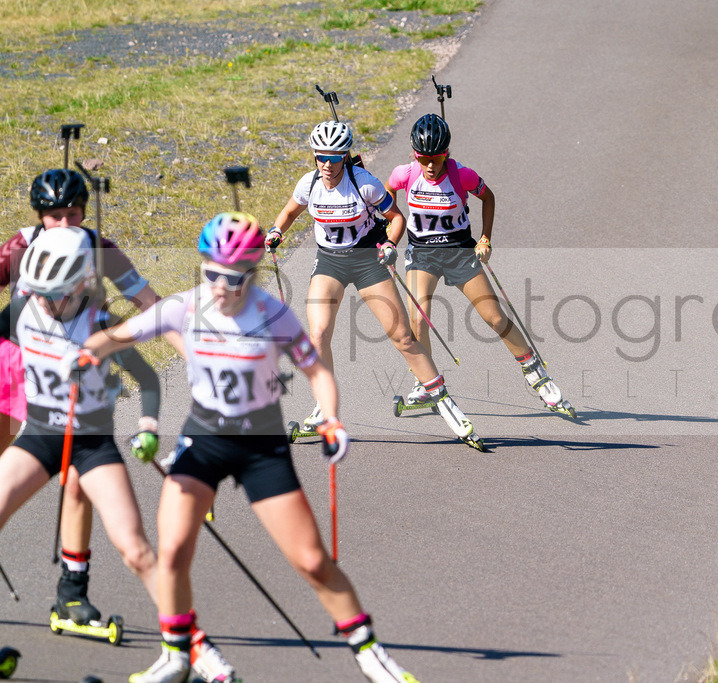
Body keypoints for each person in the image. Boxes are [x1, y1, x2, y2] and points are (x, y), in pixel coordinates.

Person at [69, 212, 419, 683]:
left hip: (261, 445)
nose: (219, 286)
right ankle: (176, 656)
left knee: (312, 561)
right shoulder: (184, 307)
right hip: (204, 440)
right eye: (210, 273)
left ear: (251, 274)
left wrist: (332, 420)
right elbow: (116, 337)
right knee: (171, 552)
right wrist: (88, 353)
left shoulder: (272, 313)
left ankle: (370, 654)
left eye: (232, 278)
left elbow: (316, 371)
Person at [0, 227, 232, 683]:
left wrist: (148, 425)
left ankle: (196, 649)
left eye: (57, 296)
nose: (47, 304)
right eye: (40, 294)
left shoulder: (100, 324)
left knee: (135, 549)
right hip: (41, 437)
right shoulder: (25, 307)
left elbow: (147, 379)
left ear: (81, 285)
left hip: (90, 443)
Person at [266, 120, 484, 450]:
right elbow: (289, 212)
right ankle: (325, 409)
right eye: (320, 157)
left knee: (401, 336)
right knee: (318, 333)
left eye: (335, 157)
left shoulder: (363, 183)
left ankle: (444, 403)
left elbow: (396, 218)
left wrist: (390, 244)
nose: (327, 164)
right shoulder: (309, 184)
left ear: (345, 157)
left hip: (368, 261)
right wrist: (276, 231)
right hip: (330, 262)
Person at [385, 113, 575, 418]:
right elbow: (387, 193)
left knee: (495, 318)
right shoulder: (405, 174)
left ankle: (537, 375)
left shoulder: (462, 175)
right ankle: (425, 383)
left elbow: (488, 198)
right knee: (419, 320)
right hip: (422, 254)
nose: (431, 165)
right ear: (414, 154)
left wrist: (485, 238)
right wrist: (393, 221)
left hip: (459, 250)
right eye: (424, 158)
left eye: (437, 157)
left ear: (447, 152)